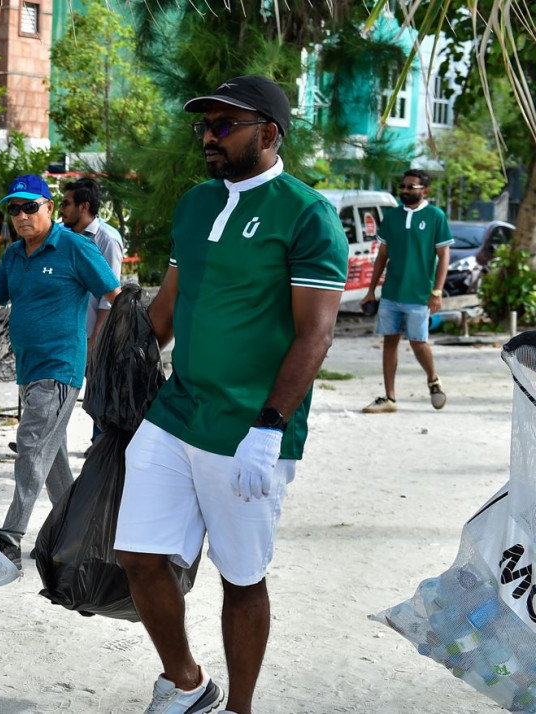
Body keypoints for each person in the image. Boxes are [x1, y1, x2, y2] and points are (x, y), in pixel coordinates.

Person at [112, 75, 348, 714]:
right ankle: (188, 682)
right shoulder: (194, 204)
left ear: (268, 133)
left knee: (242, 577)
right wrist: (117, 352)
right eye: (204, 126)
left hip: (250, 427)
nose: (208, 138)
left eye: (224, 126)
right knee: (138, 554)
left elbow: (316, 333)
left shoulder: (308, 215)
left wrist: (270, 427)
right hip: (177, 411)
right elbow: (167, 308)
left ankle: (240, 709)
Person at [0, 173, 121, 569]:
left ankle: (10, 538)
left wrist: (120, 346)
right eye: (14, 209)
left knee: (30, 445)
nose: (22, 215)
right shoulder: (14, 256)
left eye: (30, 207)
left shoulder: (75, 247)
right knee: (50, 458)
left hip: (61, 368)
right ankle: (81, 537)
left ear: (49, 208)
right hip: (29, 372)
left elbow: (114, 295)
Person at [360, 169, 452, 414]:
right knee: (389, 341)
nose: (404, 190)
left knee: (418, 342)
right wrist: (371, 291)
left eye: (411, 187)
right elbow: (382, 256)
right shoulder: (391, 216)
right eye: (402, 186)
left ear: (425, 190)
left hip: (420, 294)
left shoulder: (435, 216)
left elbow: (444, 257)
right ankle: (389, 398)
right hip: (391, 292)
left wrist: (437, 292)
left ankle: (433, 379)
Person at [60, 177, 126, 357]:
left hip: (91, 340)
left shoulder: (107, 240)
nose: (61, 209)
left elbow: (109, 298)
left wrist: (94, 344)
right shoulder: (63, 236)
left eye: (66, 204)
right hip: (65, 338)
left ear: (84, 206)